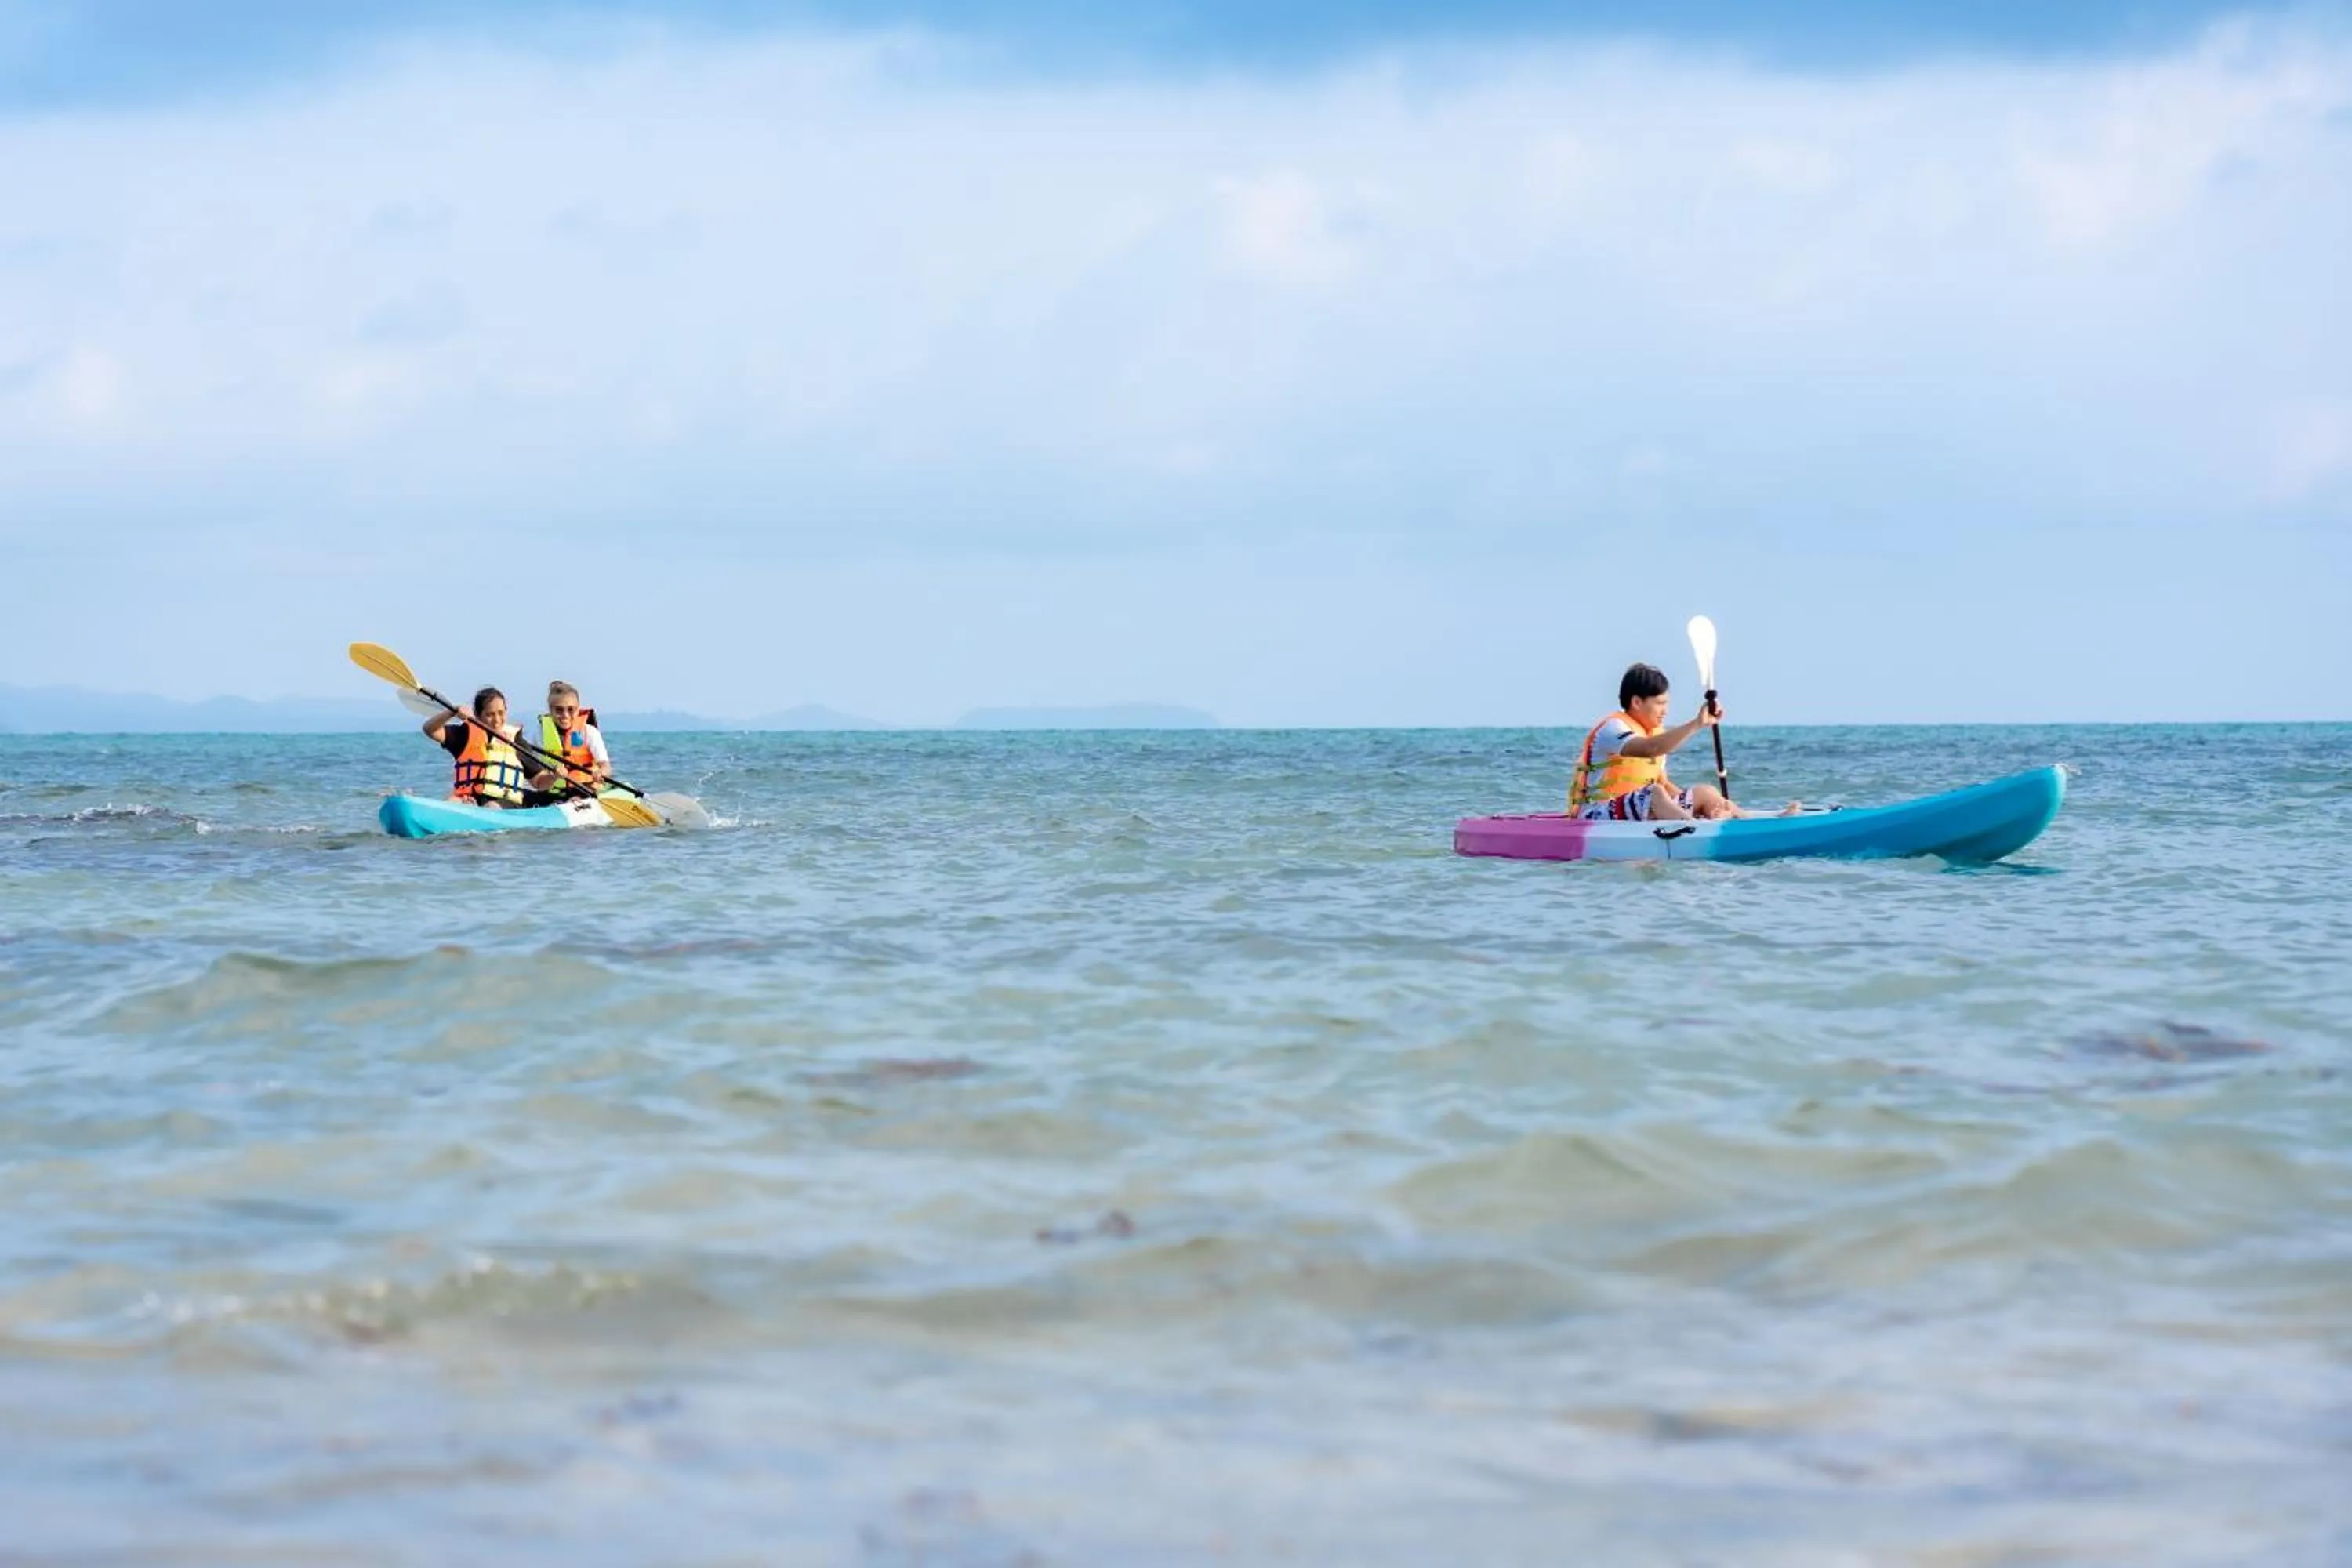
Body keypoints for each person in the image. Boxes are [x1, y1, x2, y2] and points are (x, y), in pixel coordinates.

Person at [1570, 662, 1798, 822]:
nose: (1666, 711)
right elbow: (1651, 749)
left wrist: (1697, 805)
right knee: (1654, 794)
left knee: (1705, 791)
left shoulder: (1654, 732)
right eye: (1660, 704)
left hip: (1639, 810)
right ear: (1637, 702)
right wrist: (1697, 724)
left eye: (1667, 703)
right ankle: (1697, 831)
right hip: (1596, 815)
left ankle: (1754, 821)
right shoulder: (1613, 728)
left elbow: (1664, 784)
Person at [424, 686, 544, 808]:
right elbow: (429, 730)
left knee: (491, 806)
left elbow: (539, 782)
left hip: (505, 803)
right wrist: (452, 712)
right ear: (477, 715)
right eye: (490, 715)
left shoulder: (516, 740)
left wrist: (553, 776)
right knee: (452, 803)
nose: (497, 720)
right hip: (469, 799)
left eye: (501, 713)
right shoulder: (465, 735)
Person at [532, 681, 611, 802]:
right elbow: (538, 781)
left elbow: (606, 766)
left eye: (571, 709)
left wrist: (601, 773)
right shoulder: (539, 733)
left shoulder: (589, 732)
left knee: (575, 799)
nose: (565, 715)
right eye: (559, 710)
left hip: (586, 791)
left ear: (578, 709)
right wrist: (554, 776)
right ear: (550, 710)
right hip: (552, 794)